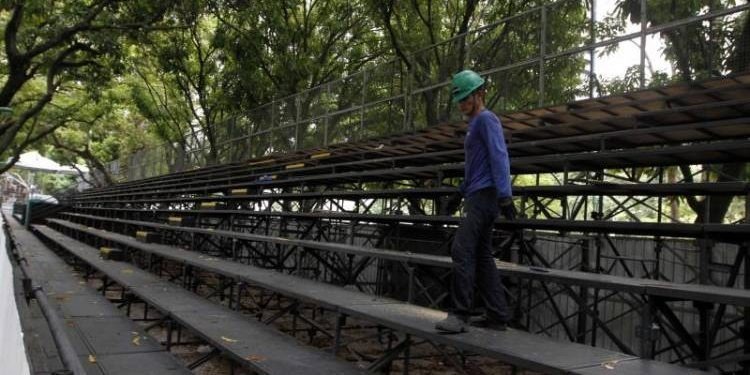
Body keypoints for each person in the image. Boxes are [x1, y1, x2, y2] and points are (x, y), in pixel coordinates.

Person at [435, 69, 515, 333]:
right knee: (481, 255)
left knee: (462, 250)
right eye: (459, 99)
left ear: (479, 94)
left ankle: (459, 315)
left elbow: (499, 157)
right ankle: (497, 314)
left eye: (466, 98)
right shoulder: (474, 125)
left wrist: (505, 196)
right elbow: (476, 167)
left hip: (485, 197)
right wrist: (458, 192)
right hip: (476, 194)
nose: (462, 104)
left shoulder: (486, 119)